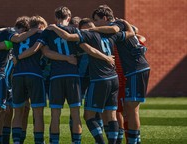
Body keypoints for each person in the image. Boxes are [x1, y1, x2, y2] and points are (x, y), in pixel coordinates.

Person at [46, 17, 135, 144]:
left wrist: (54, 27)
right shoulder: (109, 34)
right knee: (111, 114)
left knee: (89, 115)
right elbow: (132, 33)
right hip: (110, 78)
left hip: (98, 79)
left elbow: (68, 37)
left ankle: (100, 142)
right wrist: (125, 22)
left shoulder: (88, 35)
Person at [13, 6, 84, 144]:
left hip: (53, 76)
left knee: (54, 114)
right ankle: (75, 142)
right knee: (74, 113)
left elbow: (45, 52)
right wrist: (69, 58)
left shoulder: (42, 33)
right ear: (68, 18)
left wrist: (18, 57)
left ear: (56, 17)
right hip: (71, 75)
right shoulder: (74, 30)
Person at [91, 5, 150, 144]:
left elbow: (114, 29)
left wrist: (91, 29)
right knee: (129, 109)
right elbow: (135, 32)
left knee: (132, 109)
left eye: (97, 20)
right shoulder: (122, 24)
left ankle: (134, 141)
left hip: (137, 69)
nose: (95, 23)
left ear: (105, 18)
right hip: (133, 70)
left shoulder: (116, 24)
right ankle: (134, 140)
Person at [0, 16, 38, 144]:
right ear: (23, 29)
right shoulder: (10, 34)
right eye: (25, 32)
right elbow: (11, 41)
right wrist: (35, 30)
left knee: (2, 110)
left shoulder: (2, 33)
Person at [10, 15, 49, 144]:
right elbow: (43, 51)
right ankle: (39, 141)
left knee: (18, 111)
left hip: (17, 75)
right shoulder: (41, 35)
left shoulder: (19, 36)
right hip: (34, 74)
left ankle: (16, 141)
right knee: (38, 112)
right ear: (41, 26)